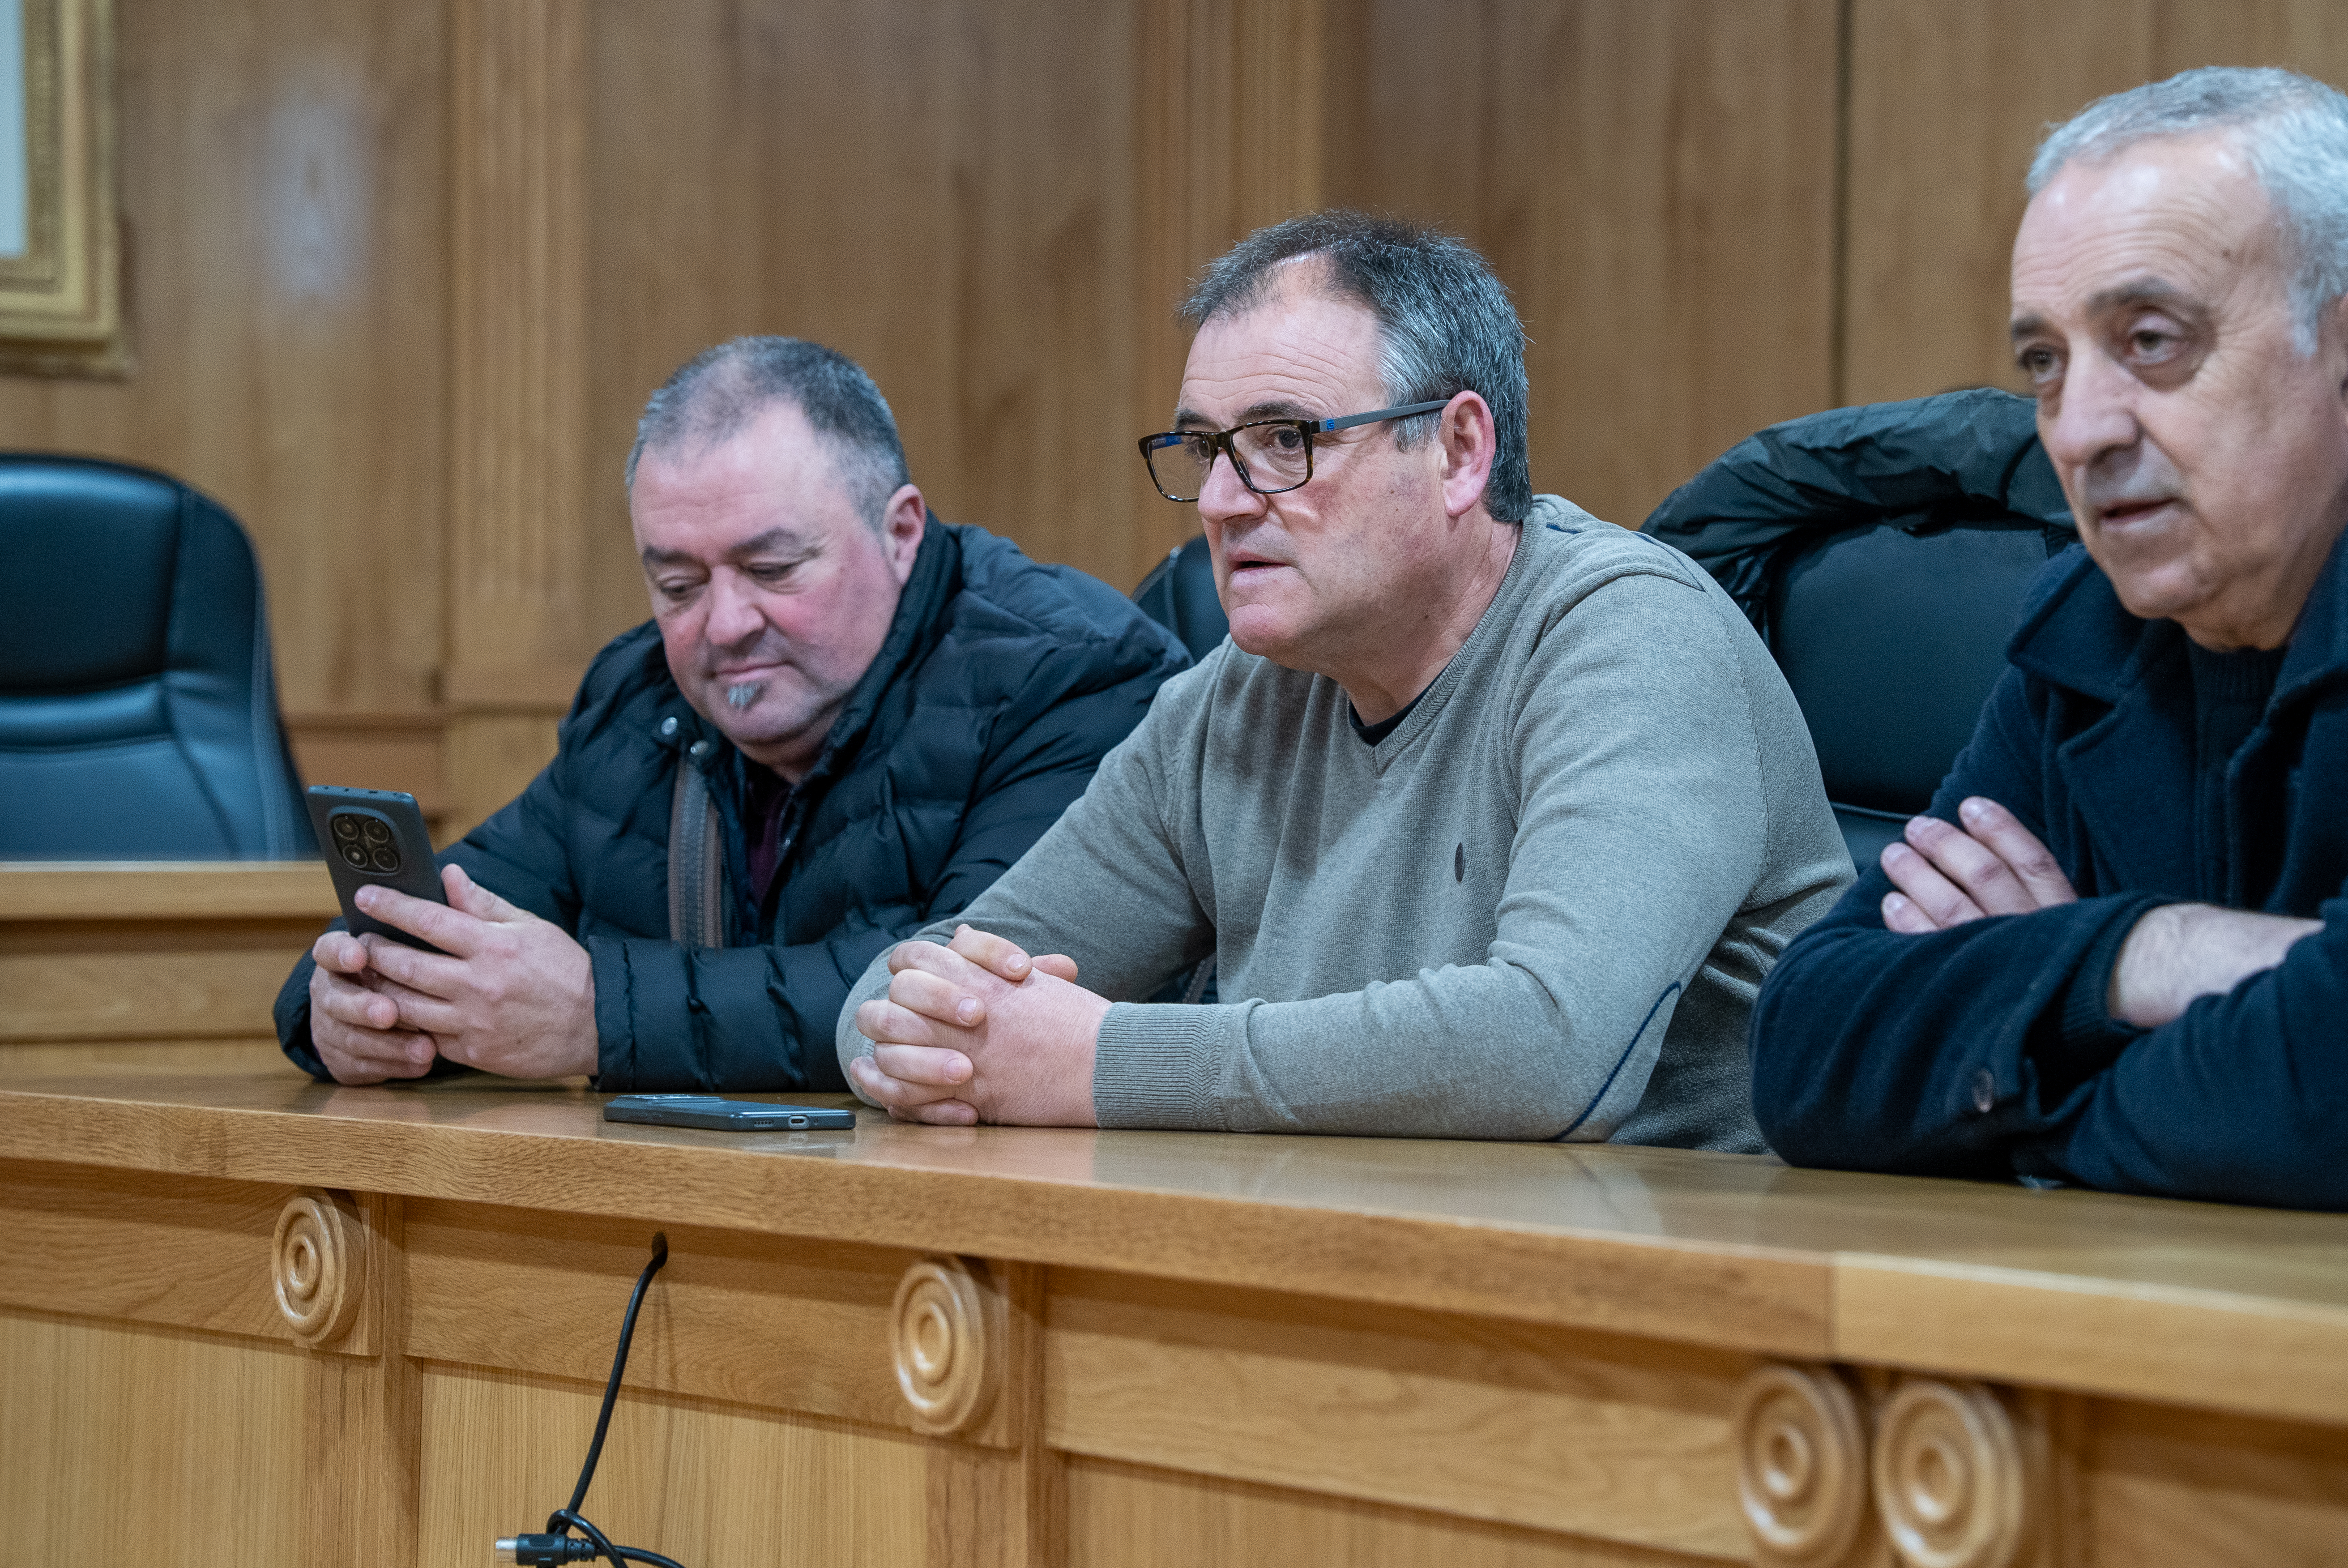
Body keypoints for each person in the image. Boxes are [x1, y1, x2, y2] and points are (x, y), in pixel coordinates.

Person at [837, 212, 1853, 1143]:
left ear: (1459, 451)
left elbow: (1549, 1048)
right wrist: (914, 1030)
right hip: (1328, 1254)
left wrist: (1100, 1062)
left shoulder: (1629, 636)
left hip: (1666, 1292)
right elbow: (910, 985)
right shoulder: (1233, 697)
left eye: (1286, 440)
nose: (1223, 503)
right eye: (1203, 448)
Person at [276, 337, 1188, 1090]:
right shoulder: (641, 692)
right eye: (676, 584)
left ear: (900, 532)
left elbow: (962, 1002)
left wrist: (598, 1016)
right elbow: (458, 912)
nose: (722, 625)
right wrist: (352, 1009)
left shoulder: (1073, 671)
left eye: (772, 570)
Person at [1751, 67, 2348, 1210]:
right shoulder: (2088, 632)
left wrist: (2035, 1034)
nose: (2077, 431)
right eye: (2045, 362)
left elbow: (2327, 1082)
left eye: (2153, 340)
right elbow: (1808, 1046)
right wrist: (2146, 951)